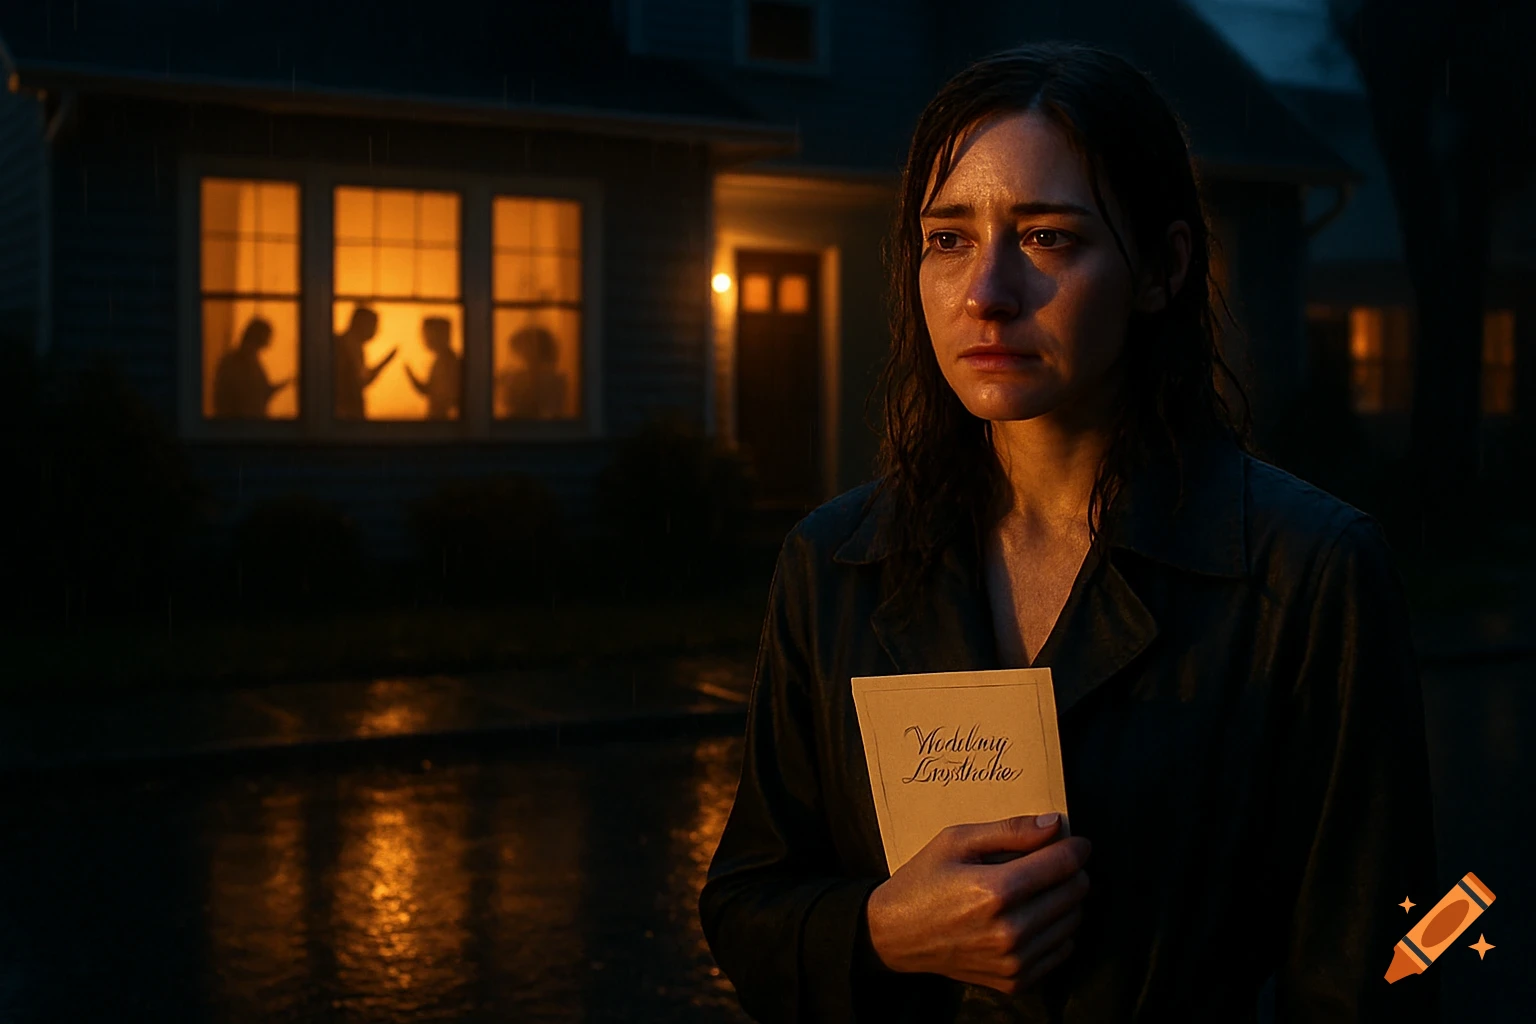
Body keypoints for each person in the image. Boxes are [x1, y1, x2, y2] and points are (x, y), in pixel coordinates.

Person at [698, 43, 1439, 1024]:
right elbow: (747, 906)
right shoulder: (836, 564)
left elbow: (1387, 958)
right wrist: (880, 928)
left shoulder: (1304, 574)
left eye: (1048, 238)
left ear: (1162, 267)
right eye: (948, 238)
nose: (987, 292)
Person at [212, 317, 291, 419]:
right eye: (267, 336)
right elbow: (228, 399)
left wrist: (284, 384)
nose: (270, 341)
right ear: (258, 336)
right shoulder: (232, 362)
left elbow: (261, 392)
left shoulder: (253, 362)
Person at [333, 306, 395, 420]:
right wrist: (385, 362)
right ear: (361, 324)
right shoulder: (342, 346)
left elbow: (361, 380)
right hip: (344, 417)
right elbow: (361, 381)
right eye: (373, 326)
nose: (376, 331)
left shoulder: (352, 346)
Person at [497, 325, 568, 420]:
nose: (520, 358)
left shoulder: (553, 381)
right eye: (518, 353)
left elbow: (549, 411)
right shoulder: (519, 376)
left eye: (521, 351)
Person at [405, 316, 462, 420]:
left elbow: (430, 391)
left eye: (426, 334)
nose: (423, 339)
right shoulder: (444, 359)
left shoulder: (446, 362)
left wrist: (410, 374)